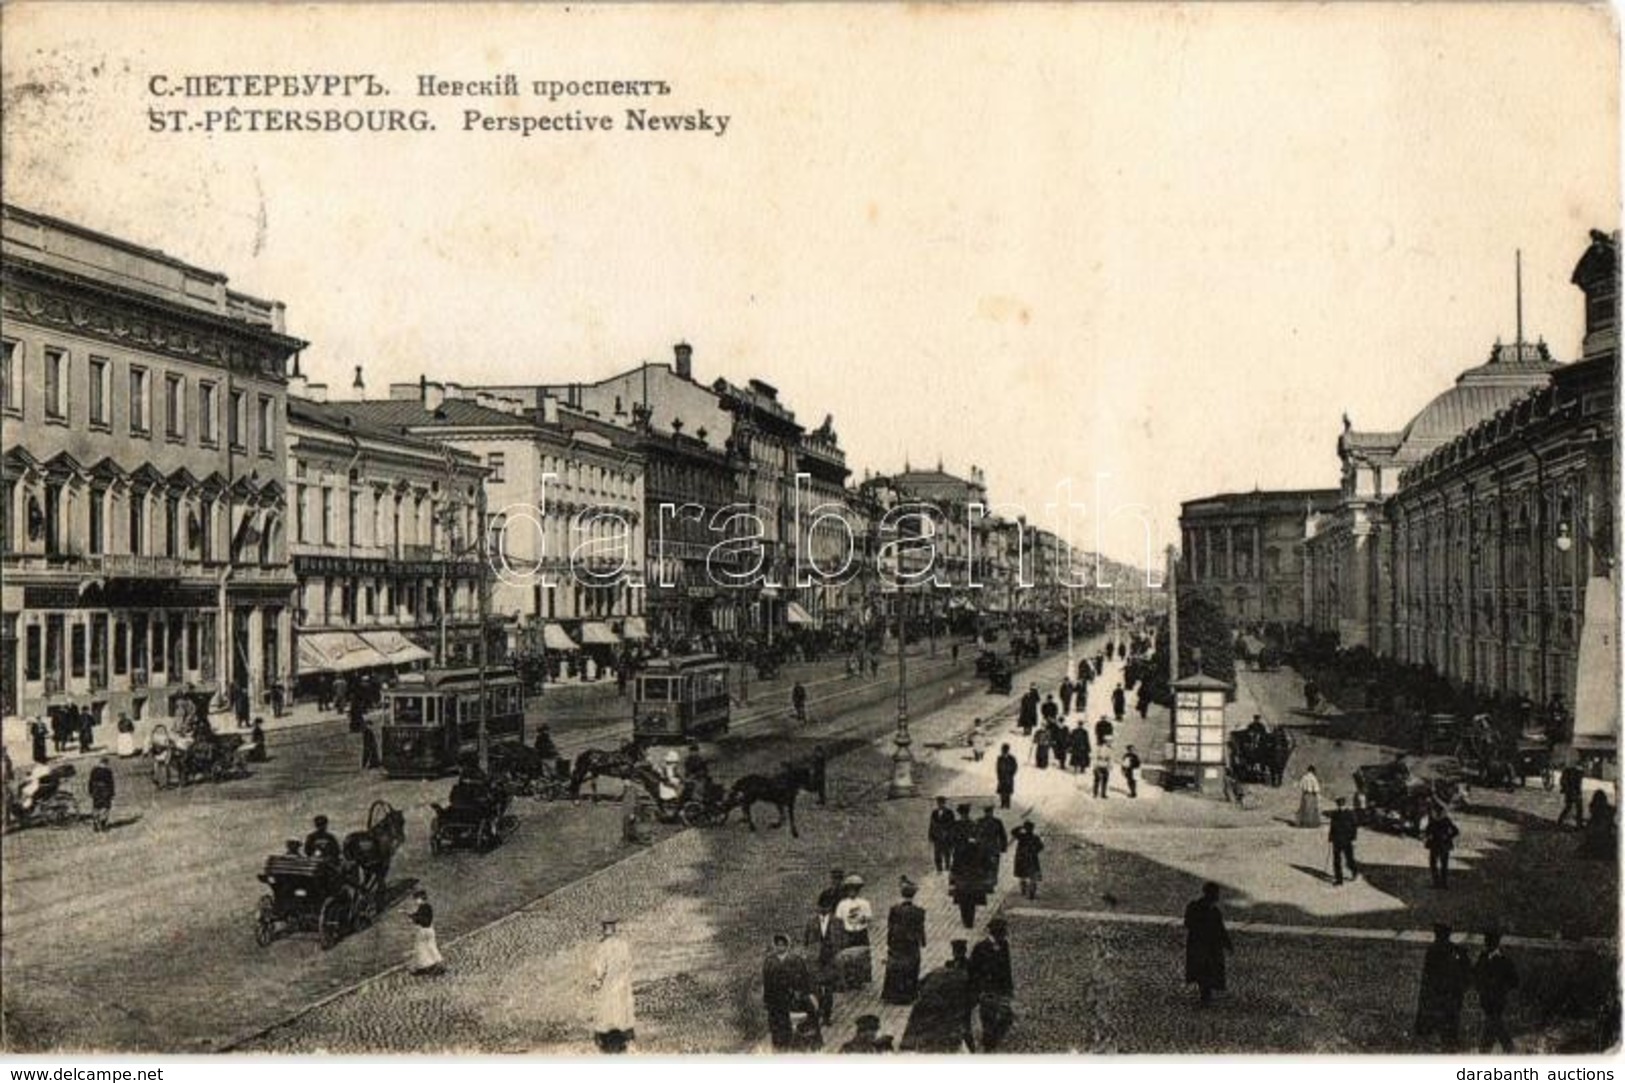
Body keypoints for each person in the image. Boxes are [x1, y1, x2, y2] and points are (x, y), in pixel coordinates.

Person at [900, 940, 975, 1053]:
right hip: (941, 1010)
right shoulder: (963, 978)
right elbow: (965, 1017)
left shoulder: (938, 971)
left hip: (924, 1005)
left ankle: (907, 1045)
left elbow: (919, 985)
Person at [1414, 923, 1471, 1049]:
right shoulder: (1458, 951)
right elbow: (1467, 974)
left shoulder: (1433, 951)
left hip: (1439, 999)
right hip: (1451, 999)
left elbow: (1427, 980)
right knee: (1450, 1032)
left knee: (1442, 1030)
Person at [762, 932, 815, 1051]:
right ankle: (778, 1044)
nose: (780, 947)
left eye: (782, 945)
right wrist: (766, 1000)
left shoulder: (796, 960)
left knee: (791, 1022)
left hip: (792, 997)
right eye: (777, 945)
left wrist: (803, 993)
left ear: (787, 946)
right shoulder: (769, 962)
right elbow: (767, 982)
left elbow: (804, 978)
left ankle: (793, 1043)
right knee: (776, 1023)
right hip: (775, 999)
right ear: (774, 946)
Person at [969, 918, 1015, 1052]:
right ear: (996, 933)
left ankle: (992, 1037)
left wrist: (1009, 987)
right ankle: (989, 1043)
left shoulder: (1004, 945)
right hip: (986, 989)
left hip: (1000, 987)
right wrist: (977, 989)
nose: (1004, 935)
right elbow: (973, 969)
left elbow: (1007, 967)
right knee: (987, 1016)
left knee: (1007, 1017)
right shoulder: (980, 947)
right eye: (1003, 932)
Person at [1184, 881, 1232, 1006]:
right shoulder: (1211, 910)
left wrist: (1227, 943)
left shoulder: (1208, 909)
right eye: (1216, 894)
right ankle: (1205, 995)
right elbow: (1189, 923)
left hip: (1205, 944)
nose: (1218, 896)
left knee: (1207, 969)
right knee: (1205, 969)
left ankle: (1206, 994)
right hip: (1204, 944)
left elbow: (1221, 929)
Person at [591, 918, 635, 1053]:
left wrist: (596, 982)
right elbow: (629, 964)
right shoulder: (623, 944)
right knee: (621, 1005)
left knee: (607, 1006)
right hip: (622, 982)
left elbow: (599, 969)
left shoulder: (602, 946)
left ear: (604, 929)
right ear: (614, 929)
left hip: (608, 982)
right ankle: (622, 1033)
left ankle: (606, 1036)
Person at [881, 879, 927, 1004]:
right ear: (914, 895)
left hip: (897, 942)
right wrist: (922, 941)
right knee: (911, 966)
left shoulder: (894, 909)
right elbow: (920, 928)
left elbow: (890, 926)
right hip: (911, 943)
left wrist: (889, 941)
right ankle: (909, 994)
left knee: (895, 967)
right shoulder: (919, 911)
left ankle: (892, 994)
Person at [1475, 930, 1519, 1053]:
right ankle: (1501, 1048)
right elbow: (1476, 975)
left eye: (1489, 942)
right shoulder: (1483, 958)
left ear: (1495, 943)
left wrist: (1501, 988)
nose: (1487, 944)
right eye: (1487, 941)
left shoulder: (1504, 961)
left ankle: (1504, 1048)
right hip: (1486, 999)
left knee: (1493, 1022)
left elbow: (1514, 981)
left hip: (1498, 1000)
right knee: (1494, 1023)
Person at [949, 804, 989, 928]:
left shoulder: (958, 825)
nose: (964, 816)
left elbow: (952, 841)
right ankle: (969, 920)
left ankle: (967, 920)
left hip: (963, 865)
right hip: (971, 868)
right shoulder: (973, 825)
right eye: (964, 813)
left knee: (964, 895)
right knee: (970, 896)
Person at [802, 901, 841, 1026]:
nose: (823, 909)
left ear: (830, 907)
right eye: (821, 906)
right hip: (815, 960)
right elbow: (806, 941)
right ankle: (818, 1012)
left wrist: (837, 953)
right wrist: (809, 955)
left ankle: (827, 1016)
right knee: (816, 988)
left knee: (829, 989)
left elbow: (842, 939)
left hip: (830, 959)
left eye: (826, 906)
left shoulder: (837, 921)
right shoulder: (811, 922)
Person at [834, 874, 874, 989]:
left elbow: (869, 917)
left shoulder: (864, 903)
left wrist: (863, 919)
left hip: (860, 932)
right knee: (849, 957)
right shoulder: (842, 904)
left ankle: (861, 979)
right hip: (848, 932)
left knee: (861, 956)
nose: (852, 893)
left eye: (855, 890)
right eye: (850, 890)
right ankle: (850, 979)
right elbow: (838, 920)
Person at [407, 888, 445, 976]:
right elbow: (419, 917)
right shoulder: (425, 907)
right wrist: (411, 915)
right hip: (430, 930)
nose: (416, 901)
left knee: (420, 947)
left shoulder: (424, 907)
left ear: (421, 898)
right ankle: (437, 964)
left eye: (417, 899)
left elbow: (423, 920)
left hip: (424, 930)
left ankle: (426, 966)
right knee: (430, 947)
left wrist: (414, 918)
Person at [1424, 804, 1460, 888]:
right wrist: (1428, 835)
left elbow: (1456, 831)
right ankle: (1437, 882)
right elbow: (1427, 830)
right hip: (1436, 844)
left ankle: (1443, 883)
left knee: (1443, 864)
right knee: (1434, 863)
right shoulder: (1433, 820)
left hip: (1443, 845)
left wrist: (1447, 836)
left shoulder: (1446, 821)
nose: (1433, 814)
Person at [1328, 796, 1359, 885]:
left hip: (1347, 840)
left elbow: (1354, 827)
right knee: (1336, 860)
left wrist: (1353, 839)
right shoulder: (1335, 814)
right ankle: (1339, 880)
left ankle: (1354, 871)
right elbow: (1332, 826)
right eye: (1339, 805)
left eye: (1342, 805)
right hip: (1337, 840)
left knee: (1349, 859)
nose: (1340, 807)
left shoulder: (1350, 814)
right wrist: (1330, 837)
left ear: (1345, 805)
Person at [1012, 820, 1044, 900]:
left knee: (1022, 875)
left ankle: (1024, 889)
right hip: (1032, 858)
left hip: (1022, 859)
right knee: (1032, 876)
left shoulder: (1022, 836)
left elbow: (1013, 831)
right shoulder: (1035, 837)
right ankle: (1031, 891)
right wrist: (1035, 851)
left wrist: (1021, 827)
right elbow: (1041, 846)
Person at [976, 805, 1007, 886]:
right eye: (987, 812)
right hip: (982, 847)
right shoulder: (979, 821)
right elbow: (975, 834)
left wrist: (1003, 847)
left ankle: (993, 880)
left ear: (992, 812)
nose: (988, 814)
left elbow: (1002, 835)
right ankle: (983, 879)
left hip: (993, 847)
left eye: (990, 812)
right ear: (985, 812)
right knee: (982, 863)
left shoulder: (998, 822)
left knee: (994, 864)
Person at [929, 796, 958, 873]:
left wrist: (950, 835)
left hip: (946, 837)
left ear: (944, 803)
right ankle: (939, 869)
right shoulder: (934, 813)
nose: (939, 804)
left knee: (947, 853)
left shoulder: (949, 812)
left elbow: (952, 825)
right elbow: (931, 825)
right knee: (937, 854)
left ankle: (947, 867)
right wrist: (931, 835)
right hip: (937, 837)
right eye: (938, 803)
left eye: (941, 803)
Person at [88, 756, 115, 832]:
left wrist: (90, 791)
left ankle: (95, 824)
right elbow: (111, 783)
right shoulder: (108, 771)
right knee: (106, 807)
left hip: (96, 790)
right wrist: (112, 793)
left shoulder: (94, 770)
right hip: (105, 790)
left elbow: (90, 781)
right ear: (106, 763)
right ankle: (103, 824)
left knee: (96, 807)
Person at [1558, 761, 1586, 828]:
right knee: (1578, 808)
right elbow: (1577, 785)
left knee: (1569, 807)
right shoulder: (1578, 773)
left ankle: (1560, 821)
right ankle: (1579, 824)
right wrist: (1578, 793)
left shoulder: (1569, 771)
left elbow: (1563, 781)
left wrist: (1565, 789)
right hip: (1573, 792)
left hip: (1569, 792)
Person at [995, 743, 1018, 810]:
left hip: (1008, 777)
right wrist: (999, 776)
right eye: (1003, 750)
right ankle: (1002, 804)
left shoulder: (1012, 758)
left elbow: (1015, 767)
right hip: (1002, 777)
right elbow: (997, 768)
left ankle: (1007, 804)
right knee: (1002, 792)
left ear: (1008, 750)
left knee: (1007, 791)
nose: (1003, 752)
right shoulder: (999, 758)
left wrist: (1011, 774)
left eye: (1005, 750)